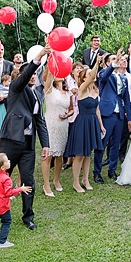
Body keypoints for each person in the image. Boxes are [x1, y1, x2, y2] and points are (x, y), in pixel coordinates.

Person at [0, 46, 51, 230]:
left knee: (28, 180)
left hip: (28, 144)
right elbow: (28, 70)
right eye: (31, 73)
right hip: (12, 140)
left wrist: (45, 144)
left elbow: (40, 120)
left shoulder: (37, 94)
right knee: (3, 177)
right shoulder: (16, 88)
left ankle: (28, 216)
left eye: (36, 73)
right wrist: (40, 56)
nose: (34, 75)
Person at [65, 58, 105, 192]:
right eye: (88, 74)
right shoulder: (81, 89)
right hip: (82, 122)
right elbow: (93, 75)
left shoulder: (95, 90)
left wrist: (101, 125)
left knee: (88, 154)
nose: (91, 76)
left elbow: (97, 109)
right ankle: (76, 182)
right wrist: (97, 63)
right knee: (80, 154)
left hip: (92, 121)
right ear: (84, 78)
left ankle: (85, 179)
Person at [95, 50, 131, 183]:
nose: (117, 60)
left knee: (116, 144)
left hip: (119, 115)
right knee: (103, 143)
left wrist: (130, 118)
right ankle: (97, 172)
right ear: (107, 63)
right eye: (112, 59)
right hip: (107, 113)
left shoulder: (124, 78)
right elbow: (104, 76)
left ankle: (112, 170)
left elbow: (127, 99)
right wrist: (113, 64)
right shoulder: (103, 74)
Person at [0, 153, 32, 250]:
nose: (9, 161)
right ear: (3, 168)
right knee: (6, 221)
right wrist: (21, 189)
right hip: (2, 207)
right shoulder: (6, 179)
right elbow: (8, 192)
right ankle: (2, 242)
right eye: (7, 160)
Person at [41, 62, 72, 197]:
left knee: (59, 155)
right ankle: (46, 184)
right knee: (48, 154)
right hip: (50, 123)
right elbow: (48, 77)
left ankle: (56, 180)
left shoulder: (68, 92)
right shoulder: (49, 90)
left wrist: (67, 114)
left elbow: (71, 109)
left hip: (63, 125)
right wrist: (52, 62)